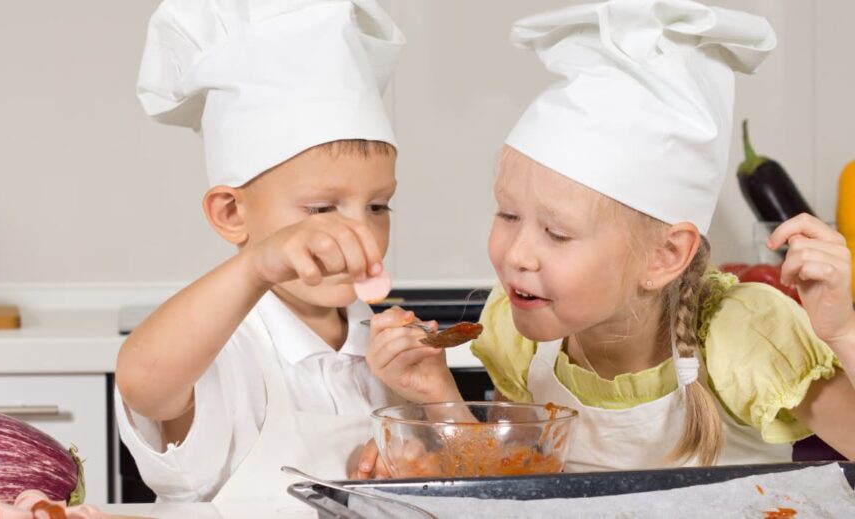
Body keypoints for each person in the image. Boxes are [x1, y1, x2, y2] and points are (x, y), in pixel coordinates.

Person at [366, 0, 854, 473]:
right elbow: (512, 485)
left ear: (665, 256)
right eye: (508, 215)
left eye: (556, 233)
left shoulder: (742, 337)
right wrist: (439, 396)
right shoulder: (516, 335)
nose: (516, 254)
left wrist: (842, 332)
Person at [115, 0, 406, 502]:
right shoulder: (224, 348)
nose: (360, 231)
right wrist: (258, 266)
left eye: (379, 206)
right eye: (321, 209)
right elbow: (143, 383)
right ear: (232, 214)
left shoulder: (381, 353)